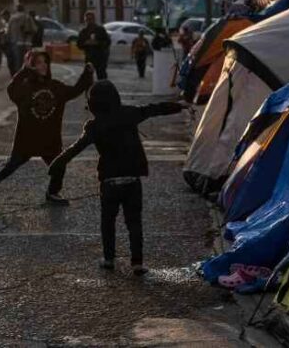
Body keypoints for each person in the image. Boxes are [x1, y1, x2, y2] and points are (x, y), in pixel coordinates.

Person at [49, 80, 187, 275]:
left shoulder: (94, 126)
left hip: (109, 180)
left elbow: (76, 148)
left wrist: (57, 163)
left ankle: (109, 259)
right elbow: (153, 109)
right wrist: (179, 106)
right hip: (132, 178)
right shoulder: (129, 114)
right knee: (134, 222)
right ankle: (137, 262)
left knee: (108, 221)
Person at [0, 50, 94, 208]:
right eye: (38, 63)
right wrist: (24, 71)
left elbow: (75, 90)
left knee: (59, 164)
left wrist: (87, 74)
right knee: (9, 167)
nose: (43, 66)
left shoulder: (55, 87)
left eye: (45, 62)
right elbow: (12, 90)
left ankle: (52, 193)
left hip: (49, 139)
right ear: (31, 66)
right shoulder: (25, 88)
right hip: (27, 138)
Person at [77, 12, 111, 80]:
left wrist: (97, 43)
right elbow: (79, 44)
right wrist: (85, 43)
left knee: (101, 75)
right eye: (87, 20)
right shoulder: (84, 31)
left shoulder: (100, 30)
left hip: (100, 57)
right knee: (88, 76)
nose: (89, 21)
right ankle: (89, 89)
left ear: (94, 19)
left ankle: (103, 88)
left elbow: (107, 42)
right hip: (89, 57)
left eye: (90, 19)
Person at [8, 4, 37, 74]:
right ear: (23, 9)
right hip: (27, 43)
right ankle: (27, 74)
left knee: (17, 60)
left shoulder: (12, 18)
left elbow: (9, 31)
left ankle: (18, 74)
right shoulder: (27, 17)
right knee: (27, 60)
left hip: (16, 42)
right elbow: (34, 29)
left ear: (17, 9)